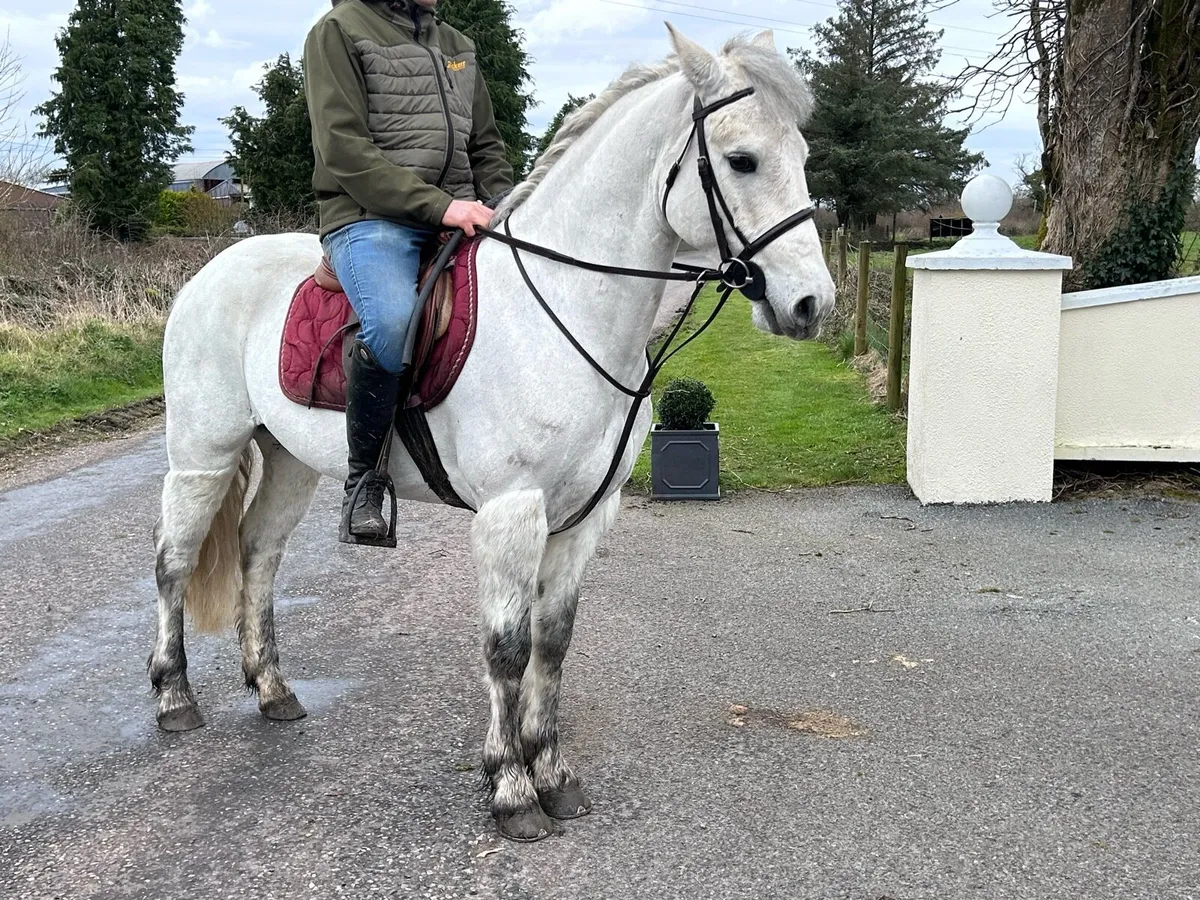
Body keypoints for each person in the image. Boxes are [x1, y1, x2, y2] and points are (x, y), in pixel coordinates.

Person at [304, 0, 513, 544]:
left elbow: (486, 146)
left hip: (462, 212)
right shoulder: (338, 30)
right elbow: (344, 149)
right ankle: (365, 482)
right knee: (394, 318)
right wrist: (441, 207)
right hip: (370, 218)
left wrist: (510, 203)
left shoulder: (458, 45)